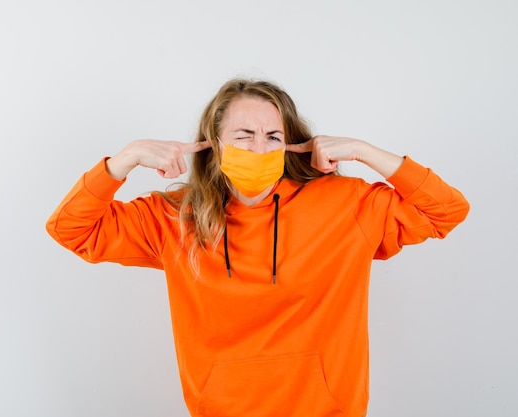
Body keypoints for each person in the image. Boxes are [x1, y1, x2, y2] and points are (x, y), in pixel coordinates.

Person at [46, 79, 469, 417]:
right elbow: (71, 229)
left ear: (290, 143)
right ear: (215, 141)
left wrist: (365, 152)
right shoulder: (174, 217)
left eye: (272, 136)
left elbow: (447, 210)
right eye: (245, 136)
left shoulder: (346, 204)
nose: (260, 149)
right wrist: (124, 159)